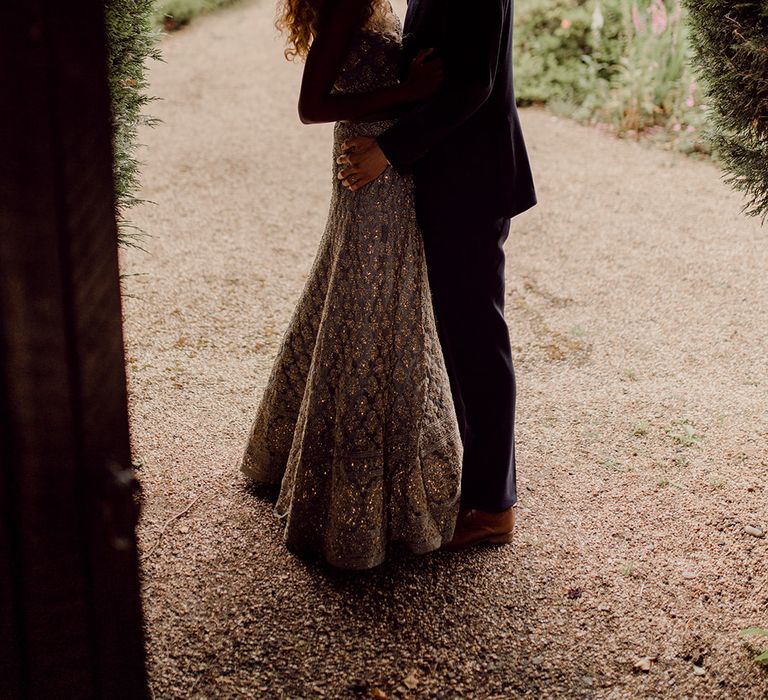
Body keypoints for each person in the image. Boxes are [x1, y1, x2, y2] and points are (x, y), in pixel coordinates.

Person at [241, 0, 464, 569]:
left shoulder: (375, 4)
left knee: (367, 292)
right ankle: (347, 494)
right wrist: (407, 92)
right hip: (367, 164)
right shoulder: (346, 5)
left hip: (387, 162)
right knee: (363, 297)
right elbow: (310, 106)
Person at [336, 0, 537, 549]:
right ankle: (478, 486)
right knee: (459, 337)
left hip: (470, 183)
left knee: (477, 341)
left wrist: (387, 150)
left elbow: (473, 85)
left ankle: (494, 506)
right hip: (444, 179)